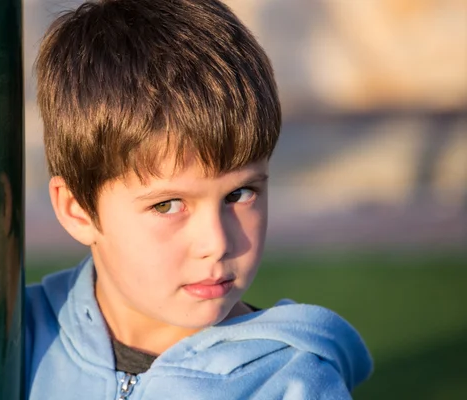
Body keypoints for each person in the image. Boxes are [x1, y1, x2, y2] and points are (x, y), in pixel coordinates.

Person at [26, 0, 373, 398]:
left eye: (239, 194)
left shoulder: (291, 385)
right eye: (168, 204)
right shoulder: (9, 340)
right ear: (77, 210)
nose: (217, 243)